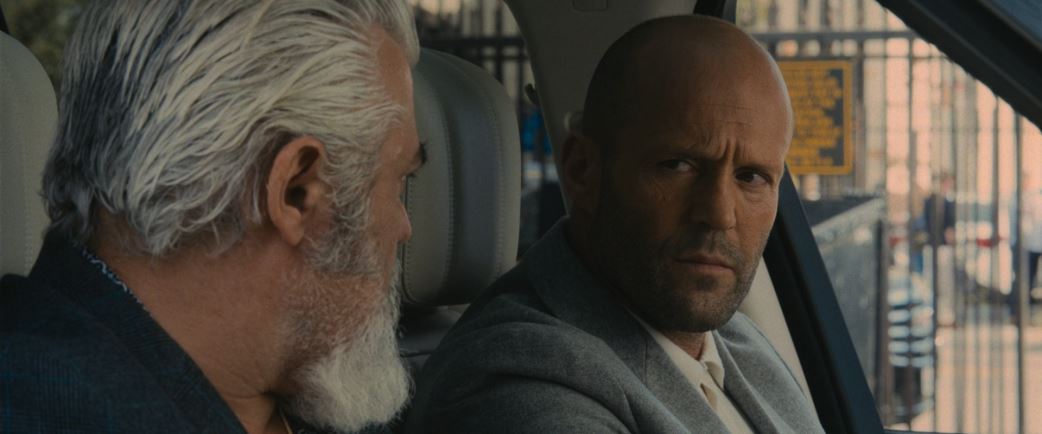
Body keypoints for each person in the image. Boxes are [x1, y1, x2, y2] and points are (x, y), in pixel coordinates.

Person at [0, 1, 422, 433]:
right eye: (398, 181)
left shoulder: (313, 394)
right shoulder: (37, 409)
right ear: (296, 192)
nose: (404, 227)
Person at [404, 15, 823, 434]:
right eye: (677, 165)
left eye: (751, 177)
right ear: (582, 171)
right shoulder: (516, 385)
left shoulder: (735, 342)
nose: (719, 214)